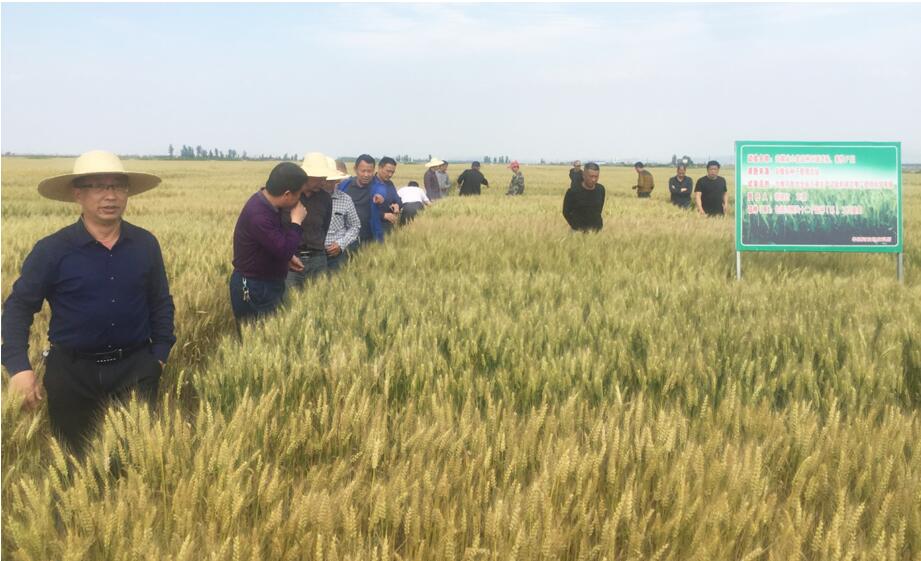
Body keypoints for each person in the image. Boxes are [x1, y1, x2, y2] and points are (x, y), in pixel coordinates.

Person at [1, 150, 176, 455]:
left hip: (135, 369)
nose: (110, 196)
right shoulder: (52, 250)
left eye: (118, 186)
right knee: (74, 462)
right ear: (78, 194)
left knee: (135, 460)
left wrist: (158, 357)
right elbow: (18, 308)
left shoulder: (146, 244)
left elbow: (160, 302)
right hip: (71, 374)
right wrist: (19, 367)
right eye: (98, 186)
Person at [230, 162, 308, 323]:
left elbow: (272, 244)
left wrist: (286, 258)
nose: (300, 199)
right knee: (259, 335)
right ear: (287, 194)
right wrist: (297, 221)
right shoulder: (259, 215)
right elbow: (284, 250)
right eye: (299, 194)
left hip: (262, 284)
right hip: (256, 287)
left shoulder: (266, 204)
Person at [286, 153, 332, 288]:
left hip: (318, 259)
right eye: (319, 178)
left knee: (320, 298)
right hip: (291, 259)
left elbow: (325, 226)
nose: (323, 182)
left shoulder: (325, 198)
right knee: (289, 298)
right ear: (306, 175)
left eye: (325, 178)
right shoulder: (288, 195)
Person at [323, 157, 360, 271]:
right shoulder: (308, 199)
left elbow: (355, 226)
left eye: (333, 180)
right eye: (327, 180)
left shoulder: (345, 199)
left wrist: (341, 244)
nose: (330, 184)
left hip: (337, 256)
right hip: (313, 256)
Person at [339, 154, 383, 243]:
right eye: (363, 171)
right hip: (346, 238)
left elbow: (382, 192)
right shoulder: (345, 185)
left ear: (373, 171)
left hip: (369, 237)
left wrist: (380, 197)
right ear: (355, 169)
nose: (366, 175)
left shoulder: (377, 186)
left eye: (369, 171)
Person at [562, 161, 605, 231]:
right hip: (577, 231)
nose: (593, 179)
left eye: (596, 176)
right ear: (583, 175)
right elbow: (566, 212)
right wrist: (577, 227)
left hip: (597, 231)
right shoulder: (573, 191)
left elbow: (599, 209)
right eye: (591, 176)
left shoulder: (601, 189)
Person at [372, 156, 403, 237]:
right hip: (373, 227)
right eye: (388, 171)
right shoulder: (370, 183)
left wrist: (397, 205)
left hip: (389, 226)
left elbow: (398, 199)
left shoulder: (390, 184)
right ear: (379, 168)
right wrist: (383, 215)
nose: (390, 175)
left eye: (392, 172)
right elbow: (364, 208)